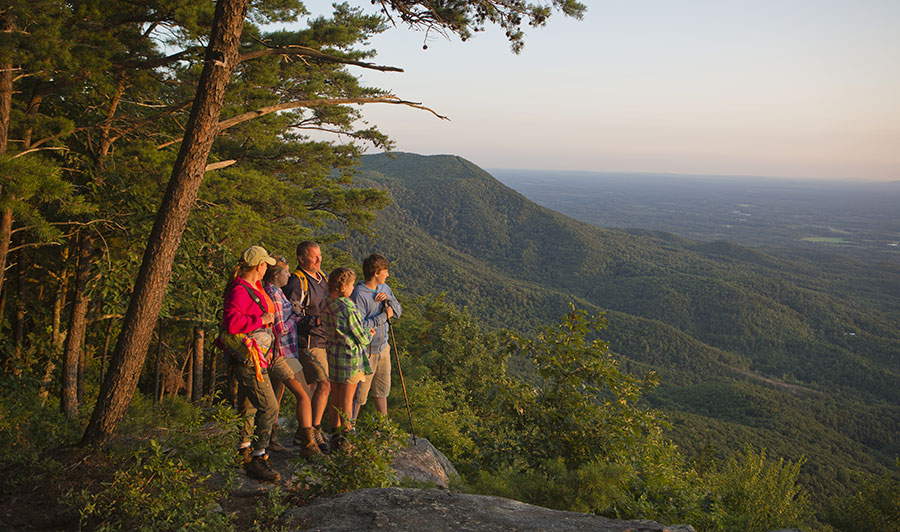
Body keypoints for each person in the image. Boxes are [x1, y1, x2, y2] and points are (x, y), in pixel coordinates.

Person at [220, 245, 280, 482]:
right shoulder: (240, 290)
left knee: (248, 405)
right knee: (269, 406)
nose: (267, 269)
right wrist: (261, 318)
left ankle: (244, 450)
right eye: (266, 264)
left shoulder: (252, 287)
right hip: (247, 358)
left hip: (255, 356)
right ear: (259, 266)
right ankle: (259, 457)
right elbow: (232, 322)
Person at [262, 256, 321, 457]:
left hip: (286, 352)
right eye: (286, 272)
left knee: (277, 397)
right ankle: (308, 445)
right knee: (304, 395)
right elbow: (279, 328)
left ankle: (271, 439)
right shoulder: (274, 294)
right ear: (276, 275)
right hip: (282, 354)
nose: (289, 274)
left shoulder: (276, 292)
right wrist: (295, 317)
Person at [282, 240, 330, 452]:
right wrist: (317, 322)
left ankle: (303, 432)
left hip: (323, 340)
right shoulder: (297, 282)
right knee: (324, 384)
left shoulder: (323, 279)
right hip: (308, 342)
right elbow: (291, 316)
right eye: (314, 256)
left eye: (319, 255)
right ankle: (315, 431)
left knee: (311, 387)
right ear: (301, 259)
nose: (319, 259)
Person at [322, 267, 373, 451]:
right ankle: (346, 435)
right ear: (343, 286)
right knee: (347, 399)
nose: (353, 288)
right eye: (351, 285)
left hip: (333, 354)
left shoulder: (326, 303)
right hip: (350, 357)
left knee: (335, 396)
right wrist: (369, 333)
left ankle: (334, 434)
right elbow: (361, 336)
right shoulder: (347, 306)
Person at [351, 254, 402, 419]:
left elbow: (398, 312)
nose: (387, 275)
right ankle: (349, 429)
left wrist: (388, 300)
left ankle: (383, 427)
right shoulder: (359, 294)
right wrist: (383, 317)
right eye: (385, 271)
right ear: (376, 273)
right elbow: (359, 326)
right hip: (366, 351)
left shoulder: (385, 289)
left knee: (382, 390)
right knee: (359, 395)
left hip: (383, 348)